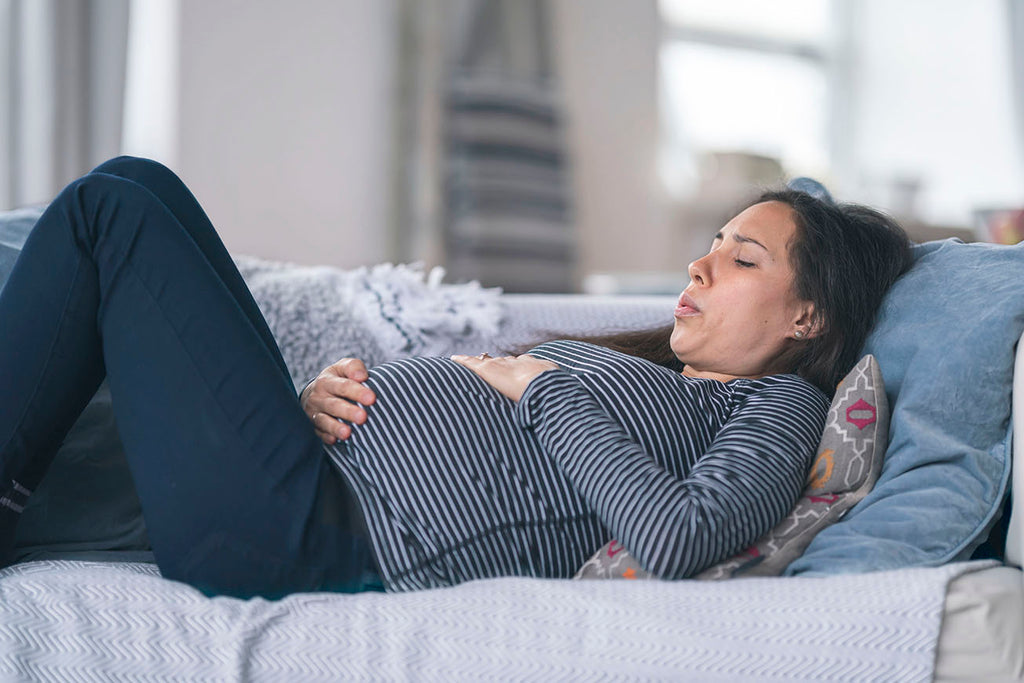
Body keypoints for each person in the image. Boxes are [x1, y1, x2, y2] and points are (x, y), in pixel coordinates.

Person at [0, 157, 912, 599]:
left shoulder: (779, 404)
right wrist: (305, 405)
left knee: (110, 212)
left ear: (809, 317)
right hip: (299, 477)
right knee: (137, 189)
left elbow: (681, 536)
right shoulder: (672, 382)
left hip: (313, 535)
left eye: (741, 258)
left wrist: (539, 388)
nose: (698, 268)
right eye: (708, 247)